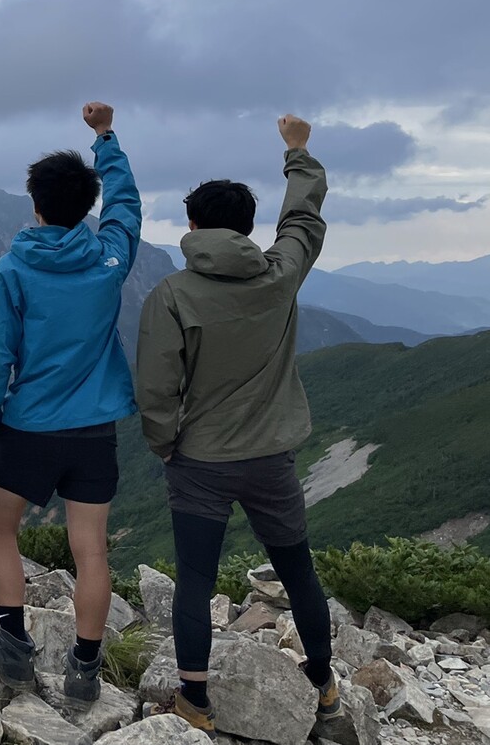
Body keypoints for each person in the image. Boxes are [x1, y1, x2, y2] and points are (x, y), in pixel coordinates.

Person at [136, 115, 338, 736]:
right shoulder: (280, 277)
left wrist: (167, 444)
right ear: (249, 228)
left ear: (192, 226)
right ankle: (324, 686)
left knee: (195, 577)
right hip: (271, 457)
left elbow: (155, 387)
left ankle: (194, 701)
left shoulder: (172, 294)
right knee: (297, 567)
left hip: (198, 459)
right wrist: (298, 153)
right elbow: (303, 222)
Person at [0, 102, 141, 705]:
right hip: (95, 429)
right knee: (89, 549)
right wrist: (105, 138)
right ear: (85, 206)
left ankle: (14, 647)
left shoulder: (10, 271)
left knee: (0, 530)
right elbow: (127, 206)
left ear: (35, 203)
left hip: (28, 426)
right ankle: (85, 670)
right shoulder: (110, 261)